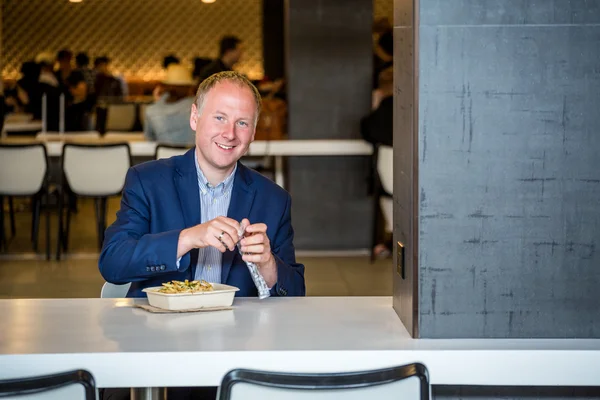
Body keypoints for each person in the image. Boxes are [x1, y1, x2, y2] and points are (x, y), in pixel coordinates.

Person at [99, 71, 305, 299]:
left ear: (253, 132)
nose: (230, 134)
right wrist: (188, 238)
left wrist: (267, 263)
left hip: (238, 331)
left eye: (243, 123)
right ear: (195, 117)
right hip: (158, 329)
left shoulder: (274, 199)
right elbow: (112, 262)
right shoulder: (147, 181)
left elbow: (295, 292)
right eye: (220, 118)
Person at [144, 64, 197, 145]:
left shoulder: (151, 111)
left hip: (163, 156)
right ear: (188, 87)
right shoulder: (199, 108)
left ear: (166, 87)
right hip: (192, 157)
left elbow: (149, 141)